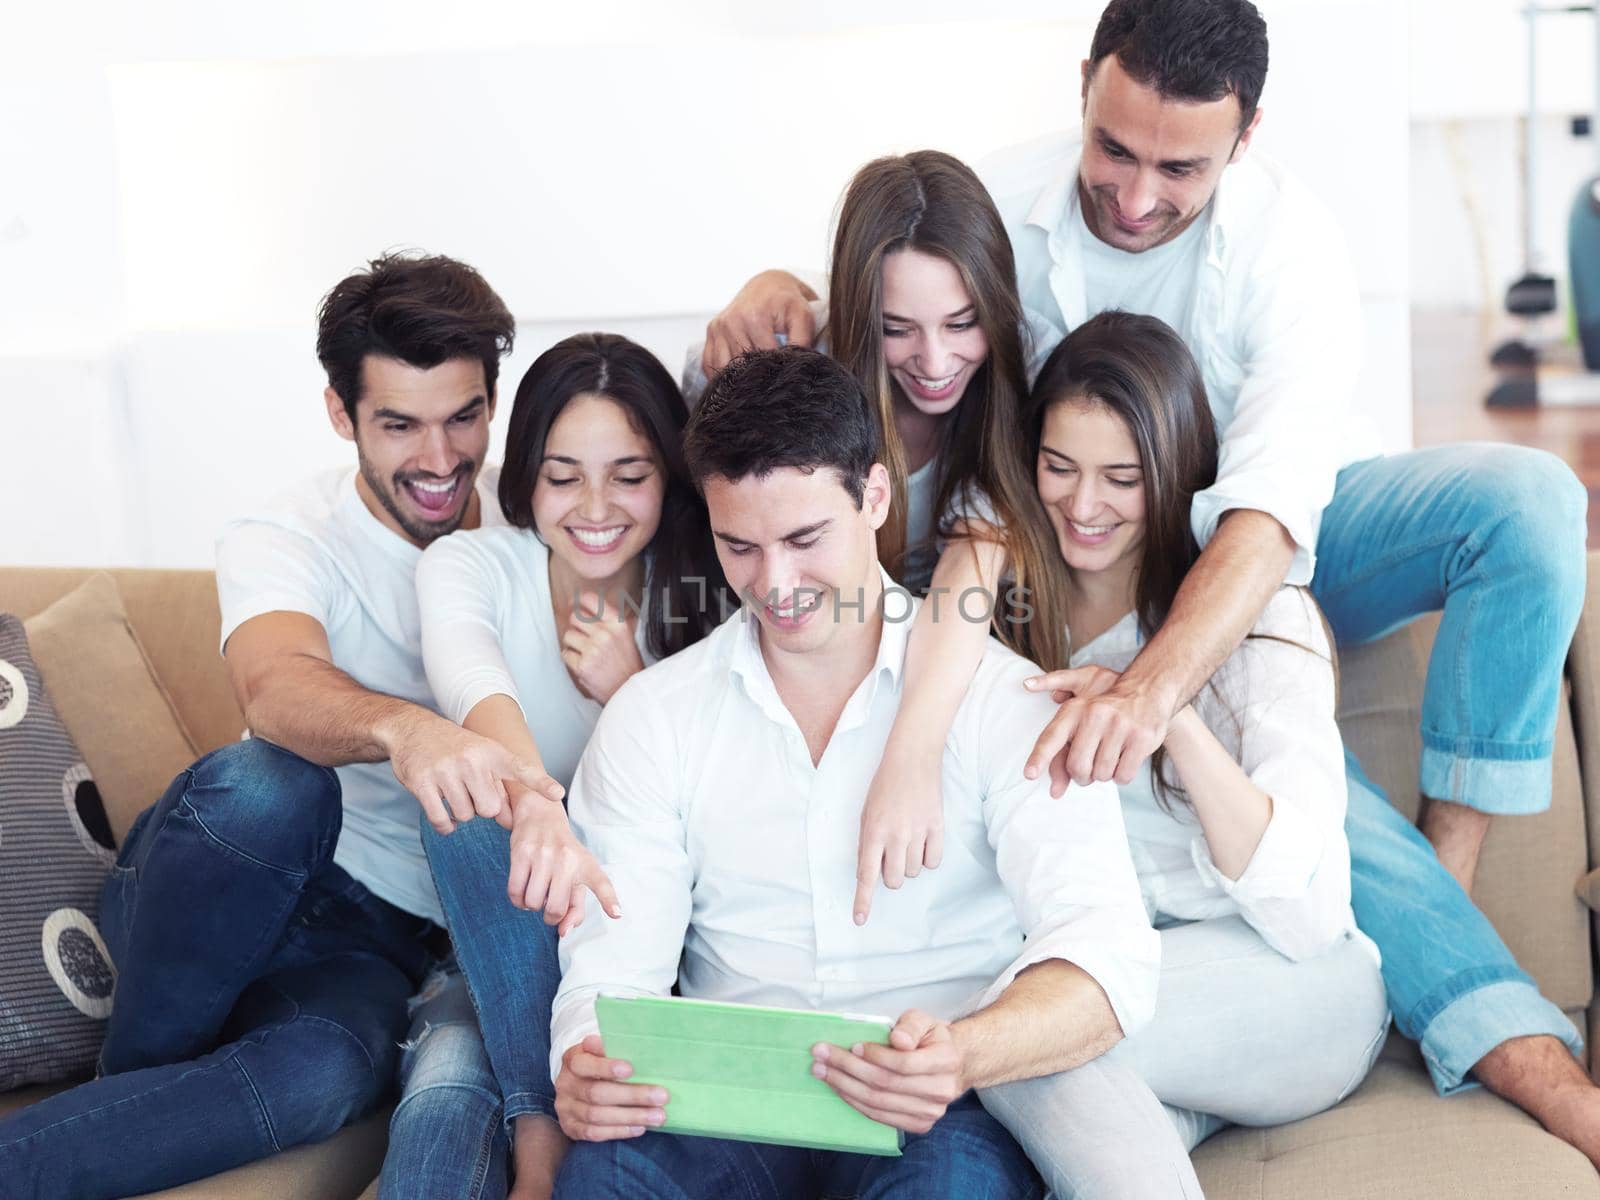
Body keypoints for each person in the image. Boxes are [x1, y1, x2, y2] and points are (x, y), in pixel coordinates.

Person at [698, 0, 1598, 1158]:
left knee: (1526, 506)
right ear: (1083, 88)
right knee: (1264, 824)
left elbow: (1270, 519)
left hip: (1273, 531)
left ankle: (1451, 907)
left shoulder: (1289, 246)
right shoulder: (997, 210)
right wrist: (778, 287)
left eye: (1179, 168)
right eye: (1113, 151)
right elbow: (895, 311)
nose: (1133, 196)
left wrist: (1151, 694)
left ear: (1247, 134)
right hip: (1079, 559)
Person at [546, 345, 1205, 1200]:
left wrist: (964, 1053)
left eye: (805, 538)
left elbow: (1107, 957)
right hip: (725, 1100)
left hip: (934, 1108)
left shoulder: (1005, 702)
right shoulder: (654, 718)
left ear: (876, 496)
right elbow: (612, 969)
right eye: (739, 545)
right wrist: (584, 1060)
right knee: (602, 1184)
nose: (775, 583)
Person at [0, 252, 573, 1199]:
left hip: (377, 947)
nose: (438, 459)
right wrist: (408, 730)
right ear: (341, 414)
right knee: (271, 781)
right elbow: (273, 686)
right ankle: (142, 1060)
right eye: (398, 424)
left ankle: (116, 1111)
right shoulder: (285, 534)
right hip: (238, 884)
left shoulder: (538, 521)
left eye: (463, 417)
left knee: (324, 1079)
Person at [977, 310, 1389, 1193]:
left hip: (1296, 984)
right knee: (1064, 1101)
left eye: (1121, 479)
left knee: (1031, 1035)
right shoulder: (1000, 619)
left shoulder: (1263, 621)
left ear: (1170, 476)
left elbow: (1311, 917)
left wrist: (1165, 712)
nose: (1083, 508)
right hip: (1132, 992)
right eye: (1059, 469)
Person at [381, 333, 729, 1199]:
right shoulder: (468, 564)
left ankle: (543, 1148)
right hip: (504, 946)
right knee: (442, 1093)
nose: (595, 506)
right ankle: (542, 1141)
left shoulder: (715, 587)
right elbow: (470, 681)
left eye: (630, 474)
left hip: (648, 942)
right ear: (525, 476)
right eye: (563, 475)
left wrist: (634, 693)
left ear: (670, 476)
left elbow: (732, 805)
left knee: (453, 1073)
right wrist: (536, 800)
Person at [684, 150, 1074, 919]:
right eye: (898, 330)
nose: (935, 362)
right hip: (798, 679)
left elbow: (965, 596)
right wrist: (770, 288)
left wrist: (910, 757)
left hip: (937, 699)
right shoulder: (798, 368)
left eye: (963, 323)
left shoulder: (1009, 404)